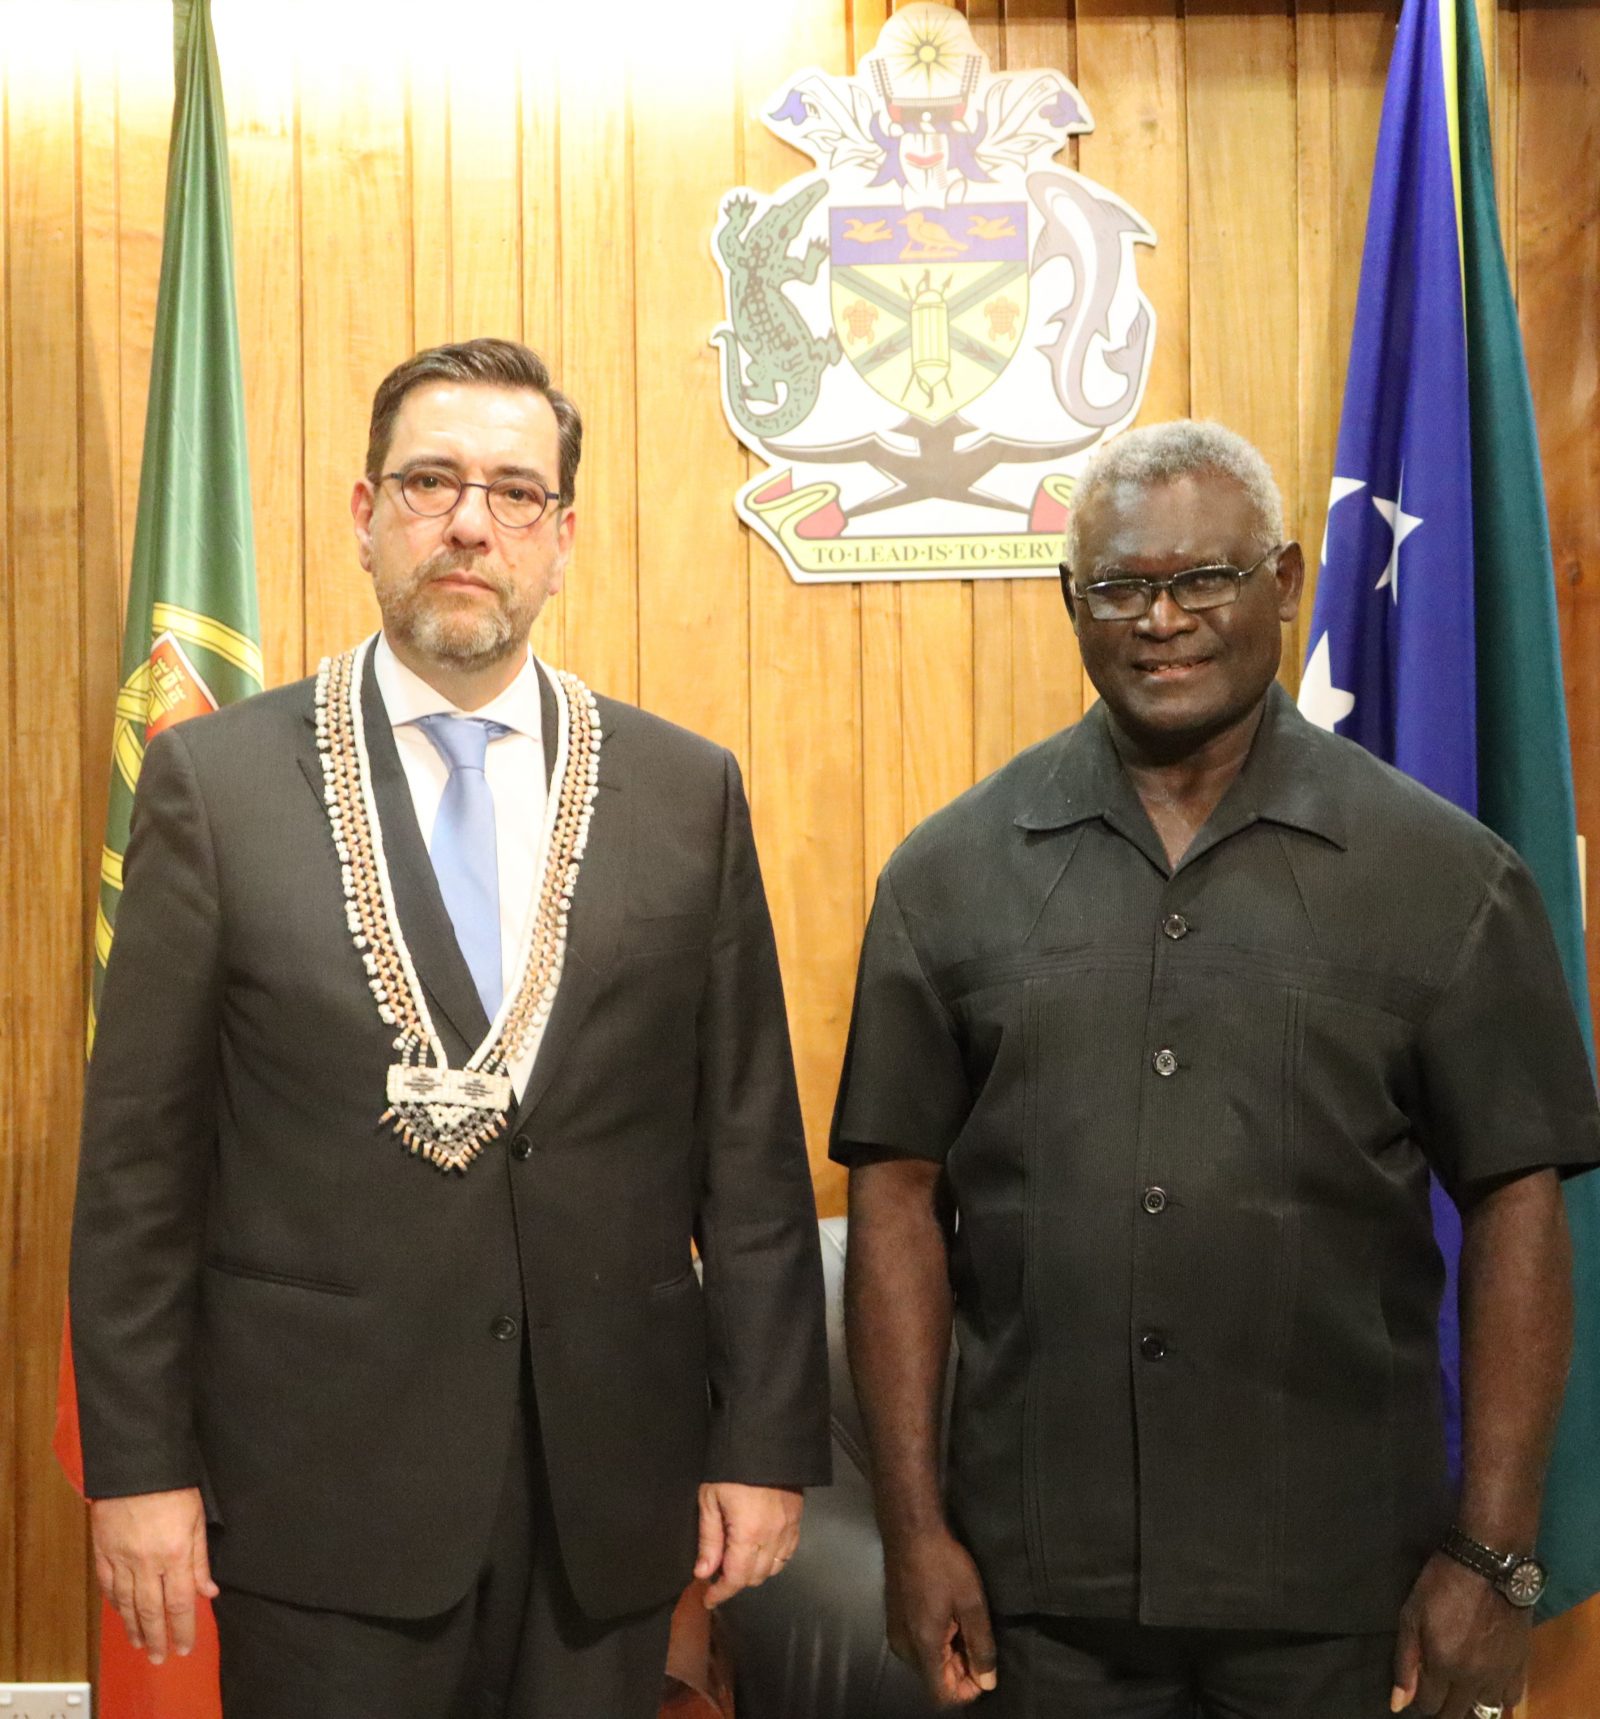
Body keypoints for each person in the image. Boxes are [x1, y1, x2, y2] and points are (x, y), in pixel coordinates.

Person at [69, 337, 830, 1719]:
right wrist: (138, 1469)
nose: (471, 521)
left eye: (514, 492)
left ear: (563, 537)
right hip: (318, 1498)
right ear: (365, 516)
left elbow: (754, 1159)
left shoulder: (682, 792)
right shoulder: (216, 789)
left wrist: (764, 1443)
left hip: (606, 1494)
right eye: (431, 482)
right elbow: (137, 1174)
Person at [831, 420, 1600, 1719]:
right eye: (1124, 586)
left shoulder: (1447, 879)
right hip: (1040, 1589)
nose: (1164, 619)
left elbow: (1523, 1207)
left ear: (1286, 582)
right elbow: (897, 1200)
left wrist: (1493, 1556)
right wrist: (916, 1532)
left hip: (1345, 1592)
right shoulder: (946, 876)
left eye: (1207, 580)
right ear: (1072, 601)